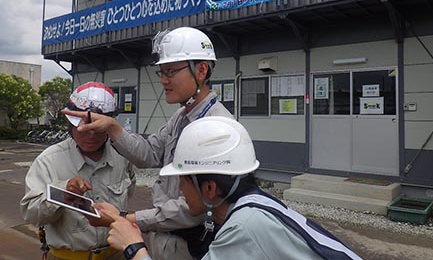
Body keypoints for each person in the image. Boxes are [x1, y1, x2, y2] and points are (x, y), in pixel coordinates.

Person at [62, 27, 234, 260]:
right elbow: (150, 154)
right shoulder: (182, 116)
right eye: (161, 72)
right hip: (166, 241)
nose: (163, 80)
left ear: (201, 70)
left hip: (188, 246)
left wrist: (124, 217)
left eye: (170, 71)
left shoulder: (216, 126)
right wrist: (112, 127)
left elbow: (195, 208)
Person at [101, 116, 363, 260]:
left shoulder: (243, 228)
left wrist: (134, 247)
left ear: (210, 188)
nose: (178, 188)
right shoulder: (256, 206)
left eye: (182, 180)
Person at [20, 81, 136, 260]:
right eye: (82, 128)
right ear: (69, 124)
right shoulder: (49, 160)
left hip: (116, 255)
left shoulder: (122, 157)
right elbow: (31, 214)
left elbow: (130, 190)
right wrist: (62, 193)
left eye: (97, 128)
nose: (90, 135)